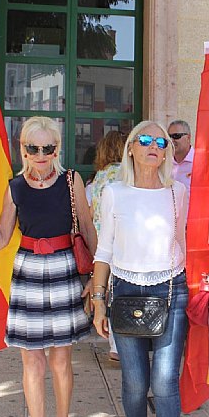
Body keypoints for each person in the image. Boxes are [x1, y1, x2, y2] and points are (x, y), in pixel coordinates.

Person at [0, 116, 96, 417]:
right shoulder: (15, 188)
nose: (40, 155)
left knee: (61, 360)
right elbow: (0, 240)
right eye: (33, 148)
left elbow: (89, 230)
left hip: (64, 267)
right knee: (32, 361)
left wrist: (95, 278)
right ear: (22, 149)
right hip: (28, 273)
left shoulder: (71, 180)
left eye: (47, 148)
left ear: (57, 149)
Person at [91, 121, 189, 417]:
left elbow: (183, 241)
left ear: (166, 154)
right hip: (125, 291)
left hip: (171, 289)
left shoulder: (178, 192)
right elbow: (104, 249)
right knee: (134, 384)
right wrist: (97, 301)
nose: (153, 147)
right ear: (130, 148)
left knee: (164, 382)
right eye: (145, 140)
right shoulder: (114, 192)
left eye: (161, 144)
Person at [89, 129, 128, 362]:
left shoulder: (99, 177)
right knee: (122, 292)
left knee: (109, 291)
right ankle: (119, 343)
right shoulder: (126, 175)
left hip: (101, 240)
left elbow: (93, 211)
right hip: (121, 240)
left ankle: (113, 343)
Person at [168, 119, 194, 193]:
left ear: (188, 138)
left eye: (176, 136)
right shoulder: (164, 163)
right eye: (169, 137)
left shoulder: (201, 163)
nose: (171, 140)